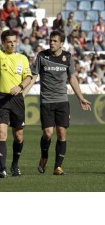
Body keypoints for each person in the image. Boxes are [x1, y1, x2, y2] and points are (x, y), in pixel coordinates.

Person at [23, 30, 91, 175]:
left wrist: (81, 98)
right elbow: (34, 76)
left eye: (55, 41)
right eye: (50, 40)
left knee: (61, 133)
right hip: (46, 101)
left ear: (61, 43)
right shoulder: (42, 56)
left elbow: (72, 78)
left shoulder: (67, 57)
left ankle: (57, 167)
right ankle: (44, 156)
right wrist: (23, 93)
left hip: (62, 101)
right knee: (48, 134)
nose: (52, 43)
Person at [0, 0, 33, 178]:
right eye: (8, 42)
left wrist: (20, 86)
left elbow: (28, 77)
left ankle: (14, 165)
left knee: (18, 136)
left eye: (14, 41)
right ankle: (2, 168)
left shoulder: (23, 58)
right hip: (2, 99)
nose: (12, 44)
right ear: (3, 43)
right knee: (1, 132)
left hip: (17, 100)